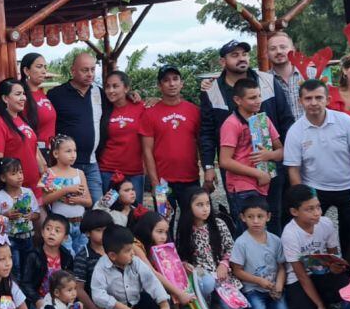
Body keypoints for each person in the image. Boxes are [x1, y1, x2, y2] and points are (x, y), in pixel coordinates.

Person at [283, 79, 350, 255]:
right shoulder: (295, 131)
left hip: (349, 187)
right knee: (311, 233)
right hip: (315, 189)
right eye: (308, 98)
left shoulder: (344, 121)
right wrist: (303, 199)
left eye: (318, 97)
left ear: (328, 99)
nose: (313, 103)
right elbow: (293, 169)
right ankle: (321, 270)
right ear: (300, 101)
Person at [218, 78, 283, 235]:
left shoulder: (263, 119)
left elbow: (281, 151)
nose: (258, 101)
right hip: (242, 186)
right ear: (237, 100)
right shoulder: (232, 124)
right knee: (248, 233)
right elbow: (224, 161)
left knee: (264, 230)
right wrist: (258, 173)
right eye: (252, 97)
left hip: (264, 184)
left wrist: (270, 155)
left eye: (259, 96)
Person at [281, 185, 349, 309]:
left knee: (346, 284)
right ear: (294, 211)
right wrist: (320, 307)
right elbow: (302, 276)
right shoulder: (290, 234)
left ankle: (330, 304)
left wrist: (336, 267)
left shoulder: (326, 223)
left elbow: (334, 256)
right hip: (298, 279)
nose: (316, 213)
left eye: (318, 207)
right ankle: (318, 304)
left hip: (322, 272)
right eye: (309, 209)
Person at [140, 66, 203, 222]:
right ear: (159, 86)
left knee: (192, 222)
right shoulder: (149, 113)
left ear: (182, 83)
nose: (172, 84)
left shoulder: (194, 111)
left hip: (191, 179)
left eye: (175, 79)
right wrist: (154, 182)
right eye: (166, 80)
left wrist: (207, 171)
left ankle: (188, 248)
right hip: (162, 183)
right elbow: (147, 150)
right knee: (164, 222)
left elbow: (202, 143)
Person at [89, 225, 172, 309]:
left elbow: (151, 281)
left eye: (132, 249)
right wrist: (123, 308)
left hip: (138, 301)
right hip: (118, 307)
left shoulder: (136, 262)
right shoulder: (101, 268)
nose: (133, 253)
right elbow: (98, 294)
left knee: (161, 303)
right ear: (113, 255)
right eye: (128, 251)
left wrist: (164, 305)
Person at [176, 187, 245, 309]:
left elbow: (231, 247)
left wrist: (224, 264)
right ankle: (200, 305)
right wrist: (185, 265)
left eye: (207, 204)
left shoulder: (219, 224)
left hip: (220, 273)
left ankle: (216, 301)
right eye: (199, 205)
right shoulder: (185, 229)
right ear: (188, 207)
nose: (205, 208)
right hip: (200, 273)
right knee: (207, 283)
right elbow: (181, 254)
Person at [48, 52, 106, 202]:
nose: (90, 74)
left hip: (92, 163)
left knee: (98, 209)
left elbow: (119, 103)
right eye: (84, 70)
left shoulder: (99, 92)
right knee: (67, 206)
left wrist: (133, 95)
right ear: (73, 70)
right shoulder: (56, 94)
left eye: (93, 69)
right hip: (65, 165)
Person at [229, 196, 290, 309]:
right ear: (243, 217)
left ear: (268, 217)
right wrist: (259, 281)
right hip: (253, 290)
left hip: (273, 288)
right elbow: (237, 270)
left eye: (260, 216)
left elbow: (281, 266)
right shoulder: (241, 242)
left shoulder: (275, 240)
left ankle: (263, 308)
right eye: (250, 217)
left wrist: (279, 285)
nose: (255, 221)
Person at [131, 211, 195, 309]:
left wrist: (182, 266)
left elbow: (168, 271)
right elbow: (152, 273)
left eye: (165, 232)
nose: (164, 237)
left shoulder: (157, 246)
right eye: (159, 232)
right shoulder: (136, 245)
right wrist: (180, 294)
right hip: (138, 289)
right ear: (147, 229)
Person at [0, 79, 46, 198]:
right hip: (16, 192)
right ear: (5, 98)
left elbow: (33, 151)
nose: (23, 98)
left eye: (24, 93)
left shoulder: (22, 118)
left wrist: (45, 175)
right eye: (18, 94)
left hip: (36, 186)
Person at [40, 134, 92, 255]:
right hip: (60, 224)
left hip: (80, 223)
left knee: (82, 254)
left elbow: (89, 201)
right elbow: (43, 200)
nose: (73, 154)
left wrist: (78, 200)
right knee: (67, 254)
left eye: (74, 151)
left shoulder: (80, 173)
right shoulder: (50, 173)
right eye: (68, 151)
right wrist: (65, 190)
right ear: (56, 154)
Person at [98, 70, 146, 198]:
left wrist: (155, 99)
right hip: (108, 170)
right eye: (107, 86)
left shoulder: (140, 107)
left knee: (135, 213)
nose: (110, 90)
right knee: (109, 212)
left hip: (134, 172)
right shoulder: (103, 108)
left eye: (115, 86)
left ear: (126, 88)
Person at [0, 157, 40, 278]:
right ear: (3, 178)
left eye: (20, 172)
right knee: (14, 268)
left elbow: (37, 214)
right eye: (13, 173)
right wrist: (6, 216)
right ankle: (13, 292)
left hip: (28, 236)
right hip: (9, 238)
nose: (19, 176)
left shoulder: (28, 192)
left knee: (28, 268)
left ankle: (26, 294)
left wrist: (31, 215)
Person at [72, 209, 114, 309]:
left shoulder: (115, 251)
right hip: (91, 300)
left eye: (107, 229)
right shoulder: (83, 256)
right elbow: (79, 289)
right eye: (99, 230)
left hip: (114, 297)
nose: (105, 233)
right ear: (88, 233)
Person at [19, 214, 74, 309]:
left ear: (65, 237)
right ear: (42, 232)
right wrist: (37, 300)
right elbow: (25, 283)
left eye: (57, 231)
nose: (52, 233)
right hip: (39, 300)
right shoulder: (33, 255)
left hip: (61, 300)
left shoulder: (67, 256)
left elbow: (70, 281)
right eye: (48, 229)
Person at [20, 53, 57, 150]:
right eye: (39, 67)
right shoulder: (22, 97)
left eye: (45, 67)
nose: (44, 71)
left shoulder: (42, 93)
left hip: (50, 151)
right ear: (26, 71)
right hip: (35, 151)